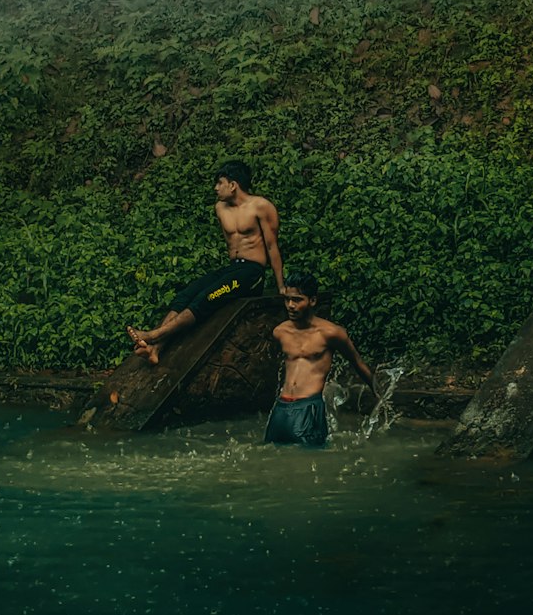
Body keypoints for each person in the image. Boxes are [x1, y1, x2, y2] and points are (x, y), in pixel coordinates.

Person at [127, 160, 284, 364]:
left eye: (220, 183)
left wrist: (281, 286)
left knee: (206, 298)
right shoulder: (220, 207)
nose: (215, 188)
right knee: (187, 295)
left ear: (233, 185)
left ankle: (154, 335)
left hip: (251, 274)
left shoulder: (262, 207)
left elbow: (272, 247)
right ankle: (155, 349)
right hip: (233, 269)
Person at [265, 272, 377, 447]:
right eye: (287, 299)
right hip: (280, 409)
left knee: (310, 462)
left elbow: (358, 363)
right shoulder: (280, 332)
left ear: (313, 301)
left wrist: (381, 395)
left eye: (297, 300)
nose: (290, 305)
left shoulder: (331, 333)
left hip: (309, 407)